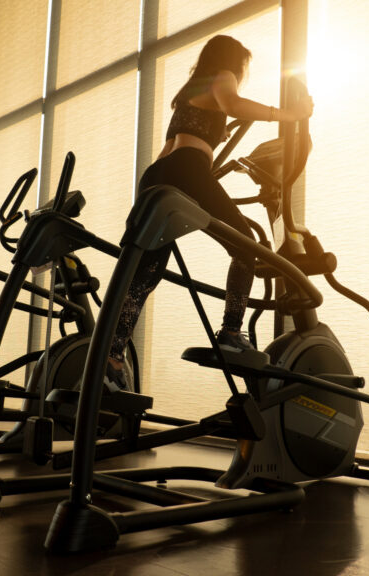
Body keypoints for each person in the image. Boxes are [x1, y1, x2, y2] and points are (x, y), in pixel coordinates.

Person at [105, 35, 314, 385]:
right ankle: (231, 333)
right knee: (246, 246)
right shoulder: (223, 74)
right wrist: (288, 116)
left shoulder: (191, 92)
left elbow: (191, 137)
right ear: (231, 60)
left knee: (145, 274)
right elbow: (233, 104)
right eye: (242, 66)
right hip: (188, 168)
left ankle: (111, 360)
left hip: (157, 175)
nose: (241, 73)